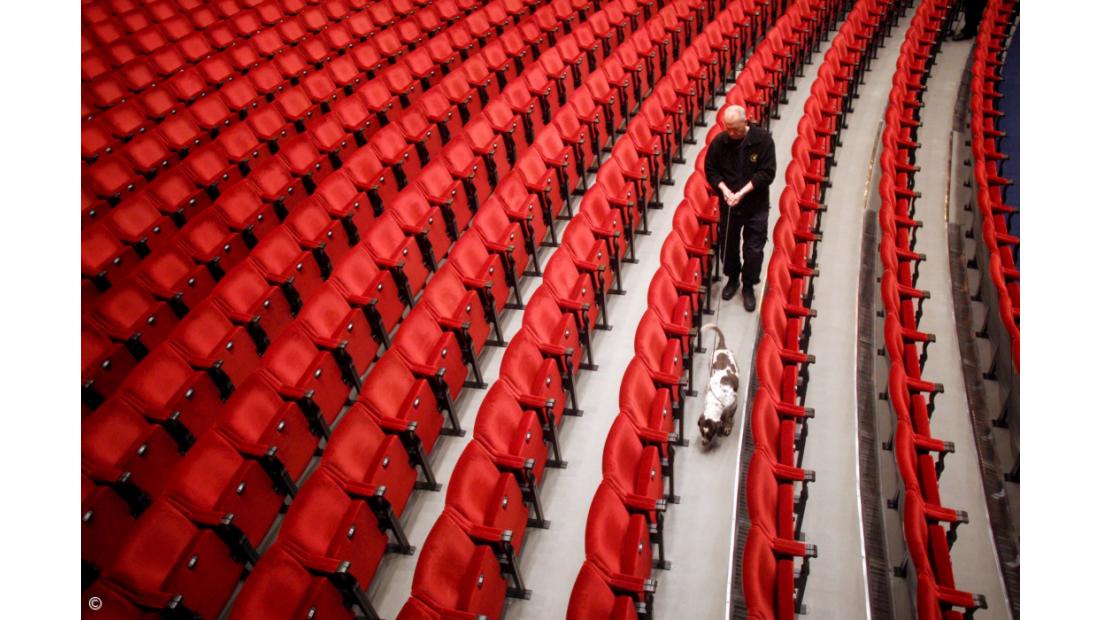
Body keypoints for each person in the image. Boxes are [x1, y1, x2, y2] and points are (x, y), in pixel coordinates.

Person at [703, 105, 776, 311]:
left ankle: (748, 285)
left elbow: (767, 173)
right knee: (729, 246)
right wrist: (724, 189)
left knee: (754, 249)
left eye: (735, 128)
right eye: (728, 128)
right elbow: (711, 170)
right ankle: (733, 278)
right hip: (730, 205)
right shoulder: (720, 142)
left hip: (756, 204)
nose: (732, 133)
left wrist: (742, 193)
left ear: (746, 122)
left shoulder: (763, 140)